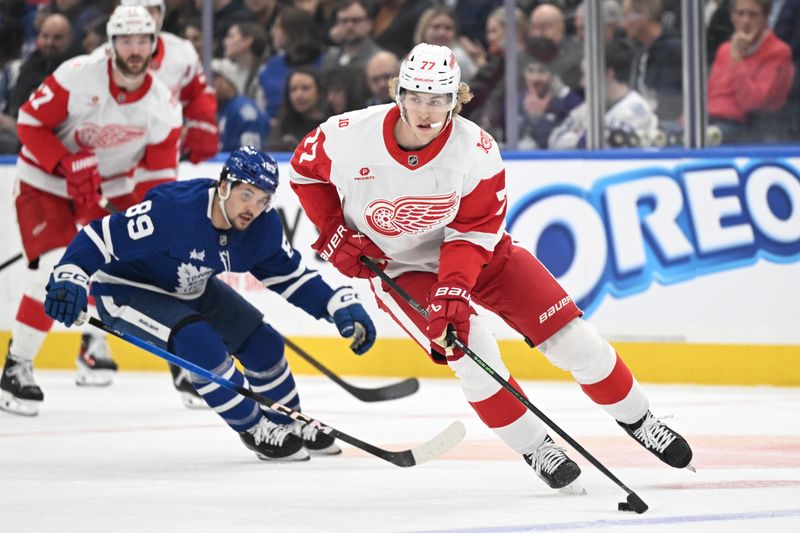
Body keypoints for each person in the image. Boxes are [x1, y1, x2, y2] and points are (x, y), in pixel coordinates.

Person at [288, 42, 693, 492]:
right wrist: (333, 228)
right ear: (398, 94)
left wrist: (454, 289)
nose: (425, 111)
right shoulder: (347, 133)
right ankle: (536, 446)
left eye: (438, 100)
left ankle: (641, 419)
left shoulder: (476, 150)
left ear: (455, 99)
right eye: (416, 98)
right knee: (473, 353)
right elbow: (304, 173)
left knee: (571, 338)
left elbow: (474, 231)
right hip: (400, 266)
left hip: (478, 252)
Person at [43, 147, 377, 461]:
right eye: (246, 195)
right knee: (199, 345)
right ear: (223, 186)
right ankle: (255, 429)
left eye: (262, 200)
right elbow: (101, 234)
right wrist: (71, 273)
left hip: (191, 284)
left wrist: (335, 302)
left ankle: (287, 421)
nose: (253, 208)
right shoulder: (173, 210)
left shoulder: (260, 228)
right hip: (126, 290)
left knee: (264, 344)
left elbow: (290, 277)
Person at [0, 5, 182, 415]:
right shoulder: (77, 74)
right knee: (56, 265)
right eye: (125, 40)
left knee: (151, 263)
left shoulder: (163, 104)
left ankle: (183, 363)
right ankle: (17, 366)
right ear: (111, 43)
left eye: (142, 40)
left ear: (153, 44)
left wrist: (153, 225)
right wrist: (65, 163)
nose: (134, 49)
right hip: (44, 183)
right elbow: (29, 122)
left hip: (110, 189)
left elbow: (156, 179)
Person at [707, 0, 795, 143]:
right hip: (709, 119)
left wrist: (737, 60)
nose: (745, 21)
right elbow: (709, 94)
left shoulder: (779, 52)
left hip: (745, 128)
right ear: (731, 16)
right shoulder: (724, 50)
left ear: (766, 18)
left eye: (753, 15)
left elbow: (754, 102)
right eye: (740, 14)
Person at [549, 38, 660, 149]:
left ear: (608, 74)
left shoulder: (636, 109)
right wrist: (579, 140)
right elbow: (554, 141)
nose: (582, 83)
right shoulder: (588, 107)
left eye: (586, 76)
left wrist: (575, 136)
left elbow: (609, 149)